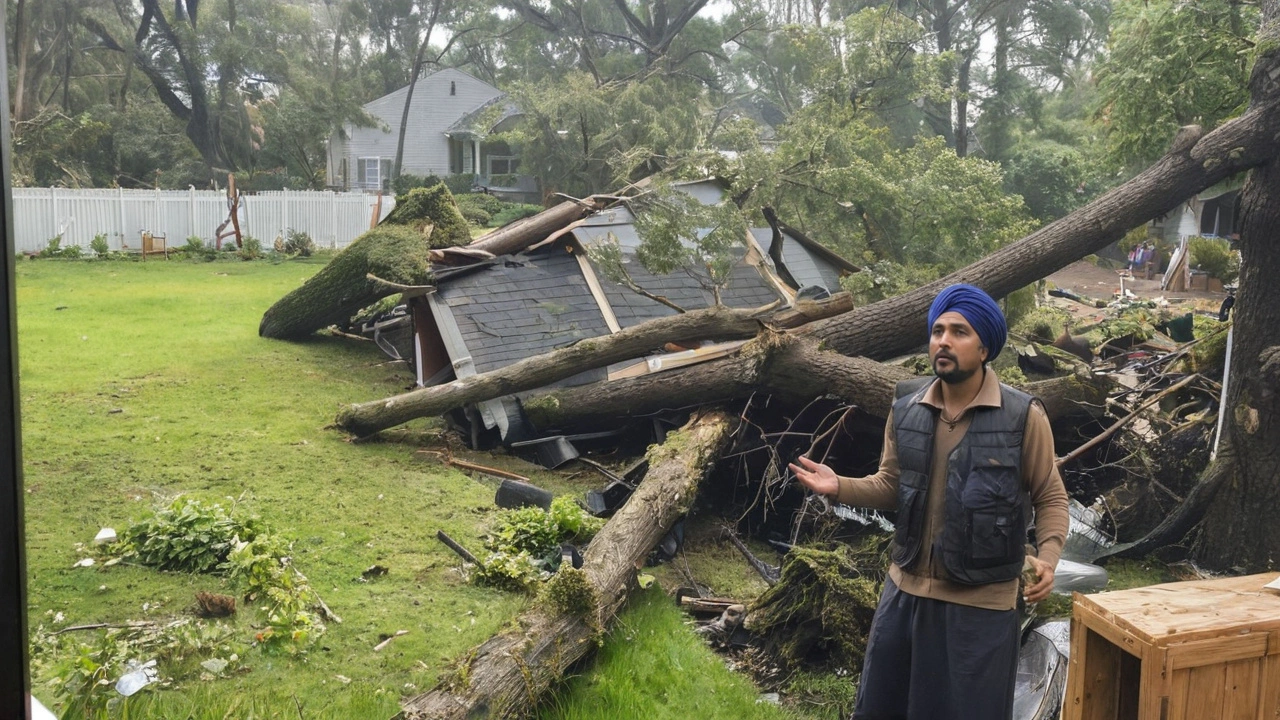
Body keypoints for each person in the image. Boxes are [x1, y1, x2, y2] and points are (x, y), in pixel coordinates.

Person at [789, 283, 1069, 720]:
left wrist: (1048, 556)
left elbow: (1050, 495)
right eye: (938, 330)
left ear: (984, 348)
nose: (943, 340)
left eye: (959, 331)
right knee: (884, 708)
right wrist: (839, 485)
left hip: (982, 605)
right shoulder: (906, 407)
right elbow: (891, 486)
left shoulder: (1022, 416)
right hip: (905, 594)